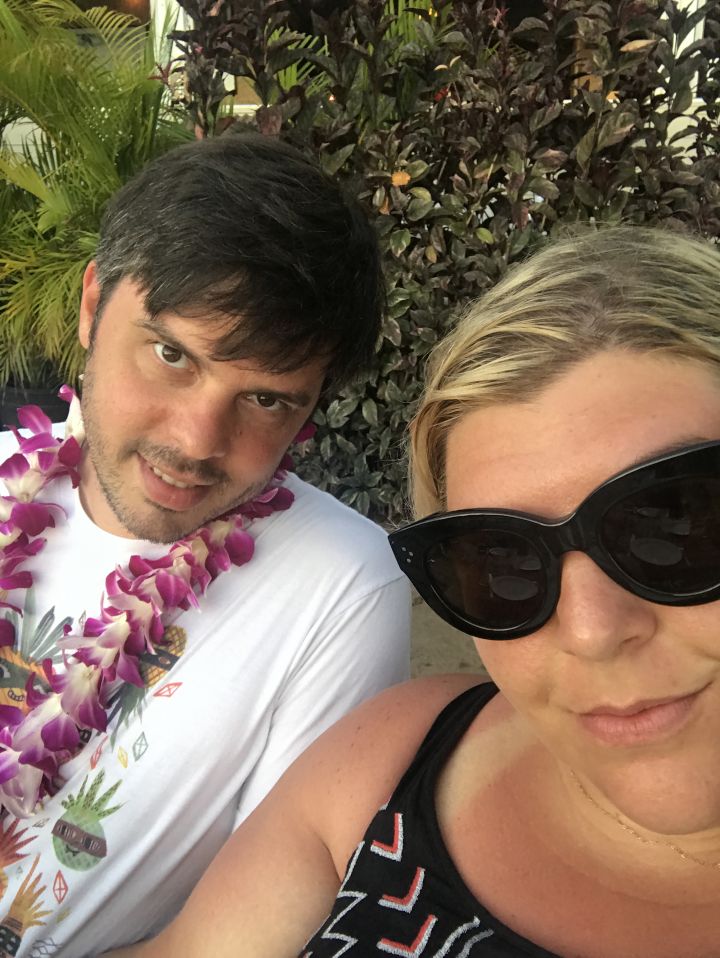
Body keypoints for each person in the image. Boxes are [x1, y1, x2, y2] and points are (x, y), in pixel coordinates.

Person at [114, 224, 720, 957]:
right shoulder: (395, 758)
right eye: (502, 561)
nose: (591, 630)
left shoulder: (341, 588)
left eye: (675, 525)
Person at [0, 133, 411, 955]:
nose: (195, 441)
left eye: (266, 399)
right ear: (92, 302)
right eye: (172, 355)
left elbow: (238, 938)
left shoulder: (345, 587)